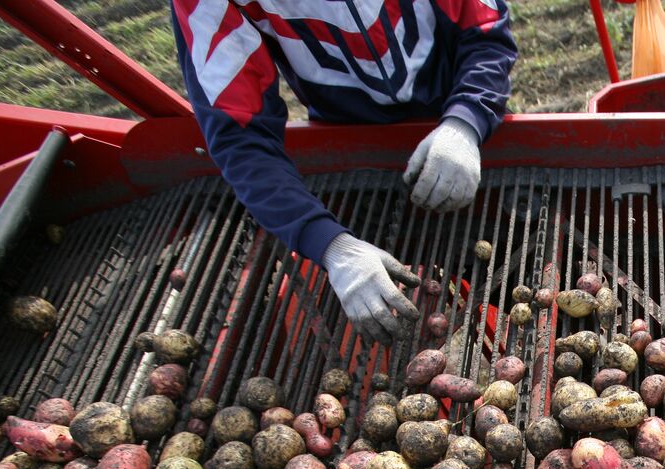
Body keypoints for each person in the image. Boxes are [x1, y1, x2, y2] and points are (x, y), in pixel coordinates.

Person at [169, 0, 517, 344]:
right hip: (351, 148)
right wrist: (331, 246)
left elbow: (484, 28)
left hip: (464, 123)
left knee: (508, 271)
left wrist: (467, 120)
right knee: (378, 311)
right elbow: (239, 135)